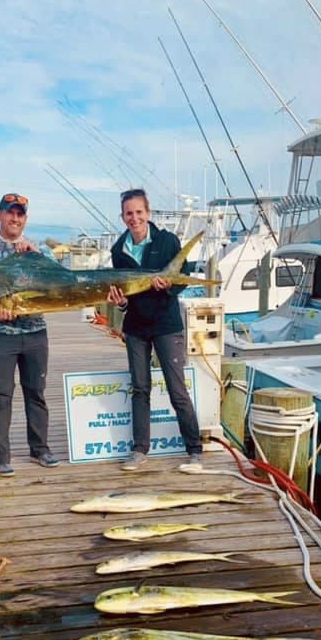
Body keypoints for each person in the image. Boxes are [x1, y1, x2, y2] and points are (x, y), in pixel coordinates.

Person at [107, 187, 203, 473]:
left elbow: (182, 281)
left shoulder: (167, 241)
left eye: (138, 212)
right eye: (128, 213)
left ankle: (194, 450)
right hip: (135, 327)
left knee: (177, 390)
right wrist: (121, 303)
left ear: (148, 213)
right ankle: (139, 449)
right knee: (140, 389)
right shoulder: (117, 251)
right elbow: (122, 295)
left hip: (166, 326)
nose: (134, 218)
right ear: (122, 217)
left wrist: (170, 284)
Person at [0, 192, 60, 477]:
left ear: (25, 219)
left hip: (35, 333)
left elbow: (59, 282)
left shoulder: (41, 251)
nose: (15, 218)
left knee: (36, 393)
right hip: (0, 335)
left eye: (20, 214)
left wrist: (34, 257)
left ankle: (40, 448)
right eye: (10, 213)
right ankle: (1, 456)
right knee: (1, 396)